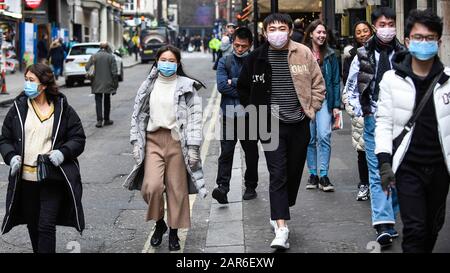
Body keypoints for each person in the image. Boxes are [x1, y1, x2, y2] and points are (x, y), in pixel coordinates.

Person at [237, 13, 325, 249]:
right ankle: (281, 227)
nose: (277, 32)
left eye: (282, 28)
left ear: (289, 30)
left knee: (293, 172)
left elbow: (318, 83)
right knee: (277, 174)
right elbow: (243, 88)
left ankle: (281, 209)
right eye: (272, 28)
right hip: (270, 126)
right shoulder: (256, 57)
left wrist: (312, 108)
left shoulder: (303, 53)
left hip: (299, 124)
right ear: (265, 33)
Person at [375, 9, 450, 253]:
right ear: (407, 41)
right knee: (415, 229)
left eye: (430, 38)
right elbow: (384, 122)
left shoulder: (448, 79)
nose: (424, 43)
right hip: (408, 167)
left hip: (441, 168)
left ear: (439, 42)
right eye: (418, 37)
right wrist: (384, 162)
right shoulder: (390, 79)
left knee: (432, 227)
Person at [123, 45, 208, 251]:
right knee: (150, 187)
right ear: (157, 61)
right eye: (163, 60)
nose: (167, 64)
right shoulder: (148, 86)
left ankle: (174, 232)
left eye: (171, 61)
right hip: (153, 140)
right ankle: (159, 222)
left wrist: (194, 147)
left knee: (176, 190)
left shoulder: (188, 87)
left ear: (178, 63)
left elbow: (196, 119)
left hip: (177, 142)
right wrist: (136, 142)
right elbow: (137, 116)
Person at [0, 63, 86, 253]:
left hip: (51, 177)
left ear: (44, 85)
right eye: (26, 80)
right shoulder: (18, 108)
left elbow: (78, 138)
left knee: (46, 225)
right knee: (33, 225)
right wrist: (11, 156)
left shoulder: (62, 108)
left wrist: (62, 153)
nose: (27, 85)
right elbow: (5, 138)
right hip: (26, 180)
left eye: (31, 81)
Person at [345, 7, 406, 247]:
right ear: (374, 27)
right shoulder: (362, 54)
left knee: (398, 171)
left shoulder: (404, 54)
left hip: (401, 124)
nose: (387, 28)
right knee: (377, 170)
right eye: (382, 24)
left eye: (391, 23)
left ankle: (389, 215)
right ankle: (383, 224)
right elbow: (350, 88)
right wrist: (360, 110)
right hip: (373, 121)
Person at [212, 27, 259, 204]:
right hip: (229, 114)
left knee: (251, 153)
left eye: (244, 46)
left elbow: (257, 87)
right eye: (237, 45)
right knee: (226, 152)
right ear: (233, 42)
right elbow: (222, 86)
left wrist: (237, 82)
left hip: (250, 115)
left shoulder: (255, 62)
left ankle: (251, 185)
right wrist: (245, 87)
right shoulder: (225, 61)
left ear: (250, 45)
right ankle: (222, 187)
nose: (240, 49)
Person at [303, 20, 341, 192]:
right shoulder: (301, 54)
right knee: (310, 139)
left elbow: (334, 81)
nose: (321, 35)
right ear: (311, 34)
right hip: (306, 101)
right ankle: (313, 174)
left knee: (324, 135)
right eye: (318, 32)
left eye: (324, 32)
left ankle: (324, 175)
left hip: (324, 99)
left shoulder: (331, 55)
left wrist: (336, 105)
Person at [342, 21, 374, 201]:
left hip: (379, 108)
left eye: (365, 31)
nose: (362, 34)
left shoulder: (384, 53)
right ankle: (364, 183)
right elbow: (348, 82)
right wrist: (352, 107)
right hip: (361, 109)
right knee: (362, 150)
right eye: (358, 32)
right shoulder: (352, 57)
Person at [85, 42, 118, 128]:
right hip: (108, 83)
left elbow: (87, 67)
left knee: (98, 101)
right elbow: (114, 73)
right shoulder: (111, 57)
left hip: (96, 82)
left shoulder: (94, 56)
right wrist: (115, 85)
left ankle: (99, 120)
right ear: (107, 48)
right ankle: (106, 119)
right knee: (107, 101)